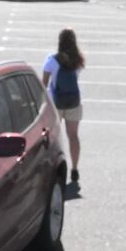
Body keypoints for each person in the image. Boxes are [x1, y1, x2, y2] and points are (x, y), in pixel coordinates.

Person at [42, 28, 85, 186]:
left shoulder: (51, 60)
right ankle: (74, 168)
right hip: (74, 102)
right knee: (73, 136)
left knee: (54, 138)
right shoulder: (79, 60)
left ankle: (55, 169)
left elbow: (44, 84)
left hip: (56, 103)